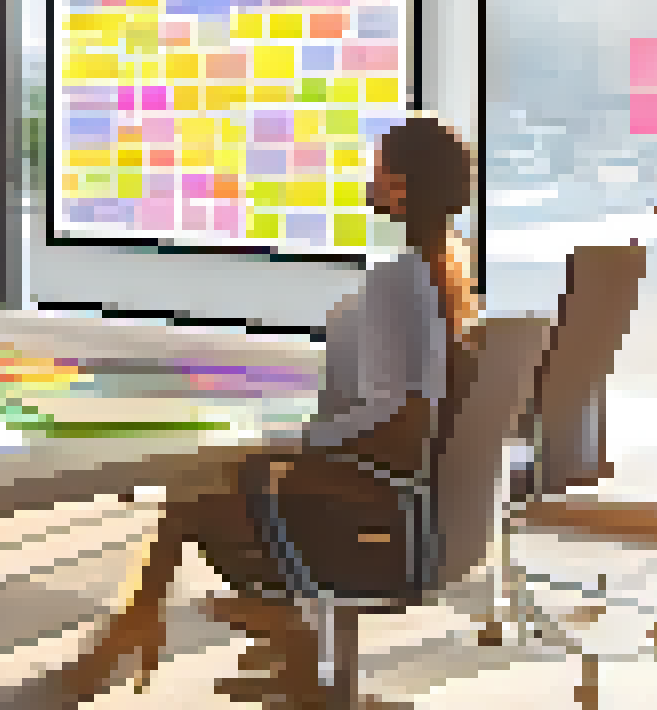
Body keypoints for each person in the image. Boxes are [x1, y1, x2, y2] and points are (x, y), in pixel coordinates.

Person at [55, 114, 479, 708]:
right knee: (203, 485)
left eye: (379, 165)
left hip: (377, 515)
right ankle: (263, 648)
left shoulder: (399, 283)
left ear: (402, 186)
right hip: (419, 511)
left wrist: (294, 443)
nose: (369, 175)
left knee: (192, 498)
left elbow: (404, 423)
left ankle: (245, 634)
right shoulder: (445, 276)